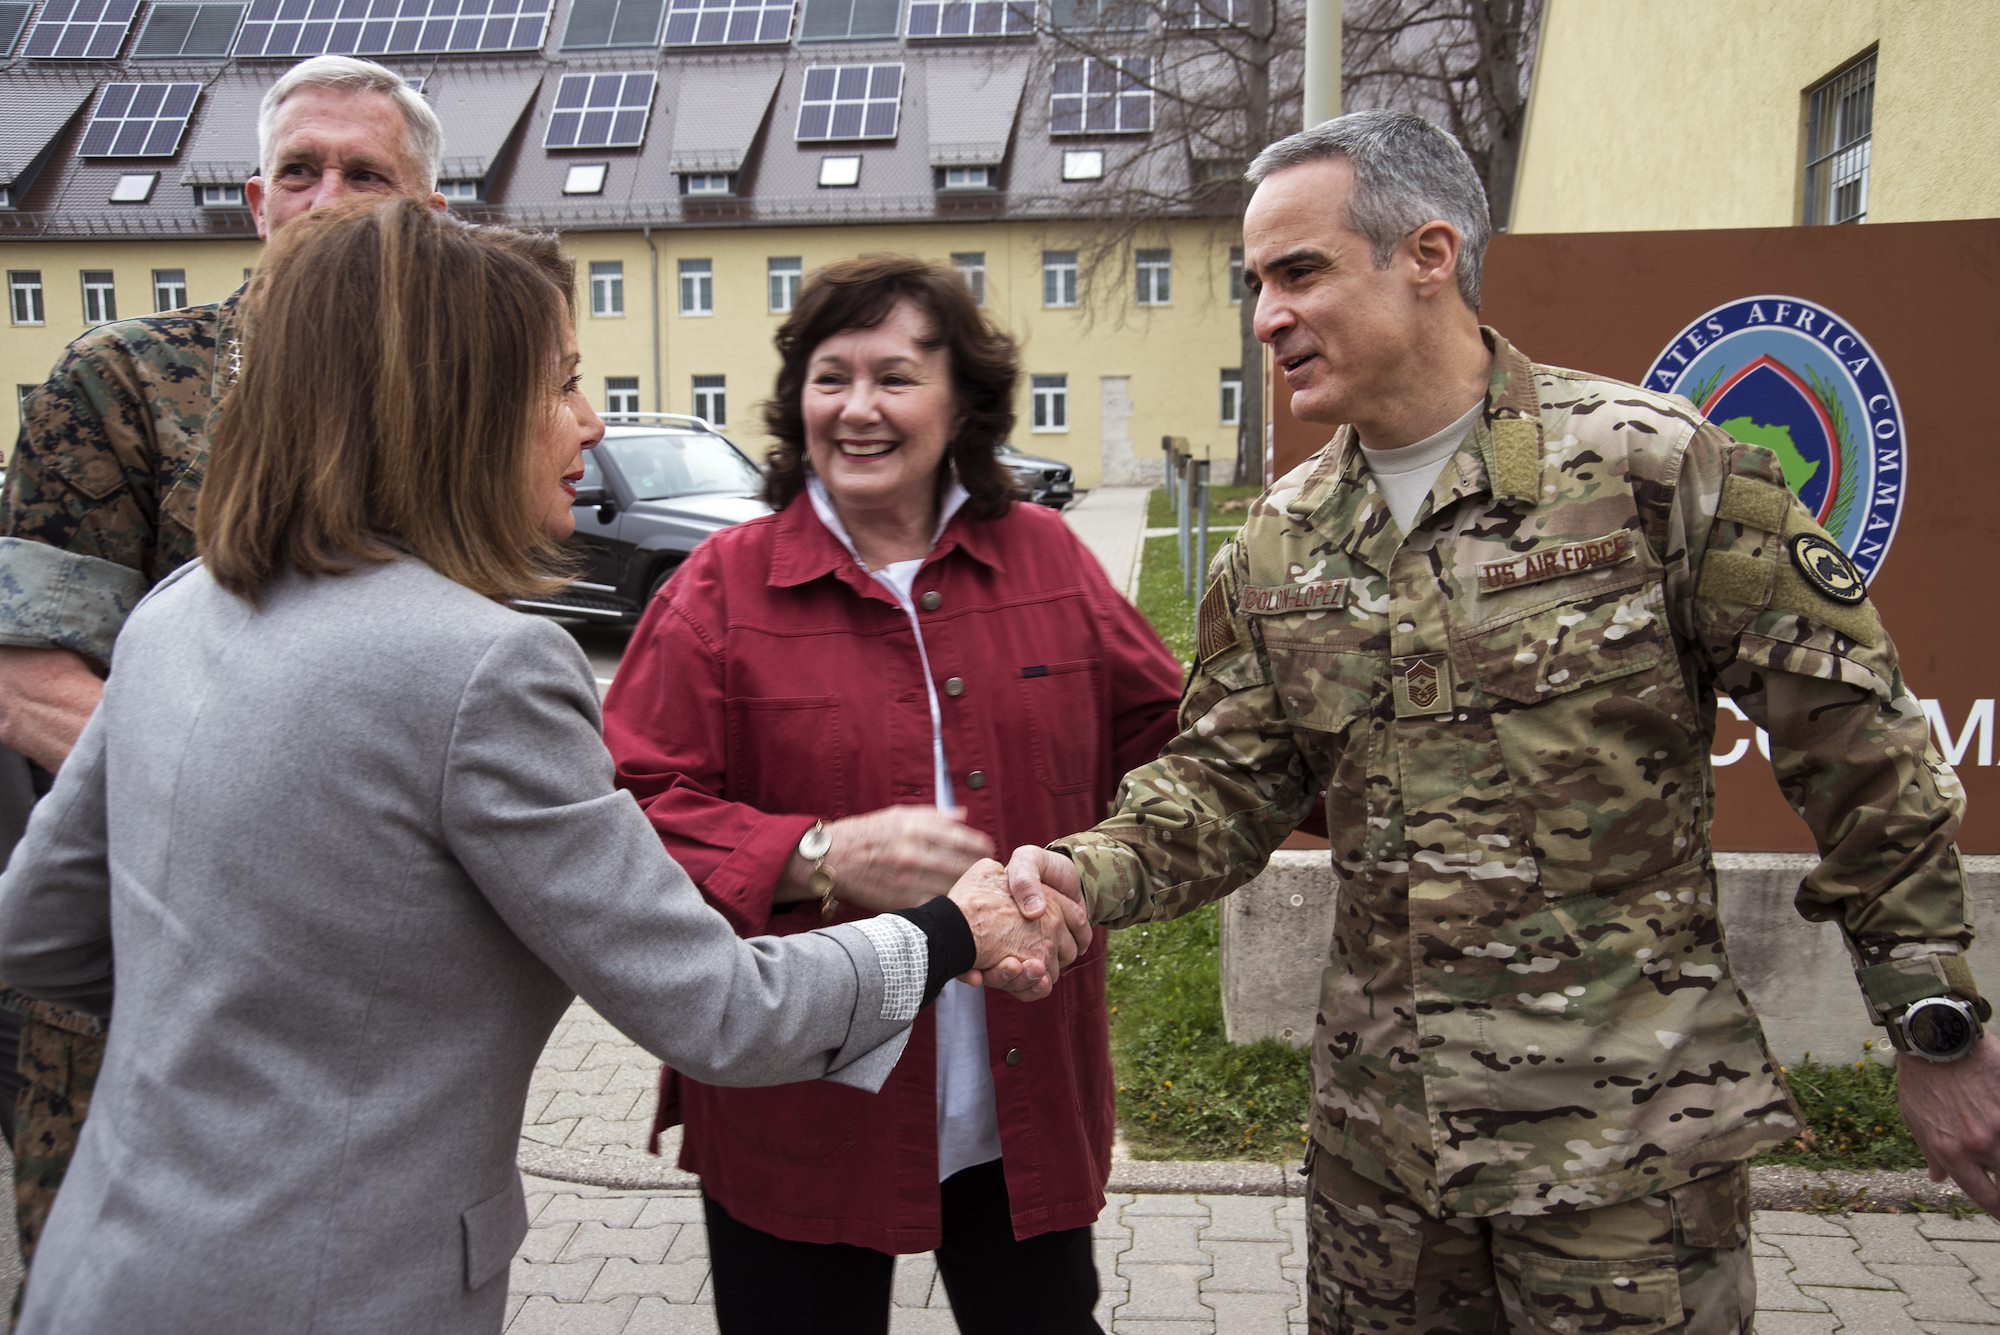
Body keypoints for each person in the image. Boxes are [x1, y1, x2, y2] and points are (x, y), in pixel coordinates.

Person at [0, 197, 1085, 1335]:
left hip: (109, 1260)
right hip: (335, 1286)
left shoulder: (181, 609)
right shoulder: (485, 669)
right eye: (562, 380)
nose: (595, 422)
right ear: (452, 408)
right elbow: (721, 1012)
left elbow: (40, 929)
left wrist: (254, 1044)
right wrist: (951, 927)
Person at [1005, 108, 2000, 1332]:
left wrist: (1931, 1026)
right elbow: (1219, 787)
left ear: (1427, 255)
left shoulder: (1656, 472)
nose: (1265, 317)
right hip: (1385, 1179)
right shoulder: (1280, 540)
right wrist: (1075, 877)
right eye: (1254, 283)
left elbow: (1859, 752)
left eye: (1297, 271)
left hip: (1627, 1169)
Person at [602, 254, 1182, 1334]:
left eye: (894, 376)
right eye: (830, 377)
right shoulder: (719, 592)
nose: (857, 409)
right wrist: (813, 854)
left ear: (960, 398)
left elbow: (1182, 755)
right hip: (800, 1102)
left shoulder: (1048, 559)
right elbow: (625, 808)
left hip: (1021, 1087)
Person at [0, 52, 450, 1279]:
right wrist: (255, 838)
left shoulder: (455, 419)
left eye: (363, 173)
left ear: (426, 216)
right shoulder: (126, 385)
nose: (321, 196)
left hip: (368, 991)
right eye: (295, 170)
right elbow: (25, 676)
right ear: (256, 205)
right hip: (134, 968)